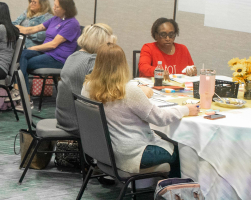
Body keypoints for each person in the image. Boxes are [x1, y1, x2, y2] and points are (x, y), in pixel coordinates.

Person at [82, 44, 198, 177]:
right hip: (131, 154)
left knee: (164, 139)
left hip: (105, 151)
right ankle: (174, 189)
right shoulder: (129, 91)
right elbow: (160, 118)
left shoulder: (87, 87)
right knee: (181, 151)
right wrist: (185, 109)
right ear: (123, 64)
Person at [16, 0, 80, 106]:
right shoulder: (55, 19)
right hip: (46, 52)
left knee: (22, 63)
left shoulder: (72, 23)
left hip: (58, 58)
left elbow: (54, 44)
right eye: (54, 5)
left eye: (57, 7)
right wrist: (14, 28)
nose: (53, 8)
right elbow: (35, 28)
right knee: (21, 55)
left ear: (66, 9)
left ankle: (23, 97)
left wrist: (33, 48)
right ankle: (23, 96)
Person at [55, 24, 116, 134]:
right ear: (100, 43)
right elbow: (105, 94)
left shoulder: (73, 56)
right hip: (80, 124)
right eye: (109, 45)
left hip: (64, 118)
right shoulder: (93, 61)